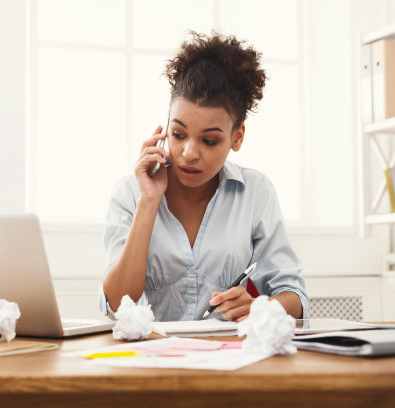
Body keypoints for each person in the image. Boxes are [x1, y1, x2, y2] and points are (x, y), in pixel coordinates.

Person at [99, 31, 308, 322]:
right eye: (178, 134)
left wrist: (262, 308)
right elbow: (117, 305)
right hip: (158, 358)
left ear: (237, 137)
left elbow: (294, 295)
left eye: (209, 141)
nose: (188, 153)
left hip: (232, 356)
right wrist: (148, 201)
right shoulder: (130, 191)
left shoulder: (255, 191)